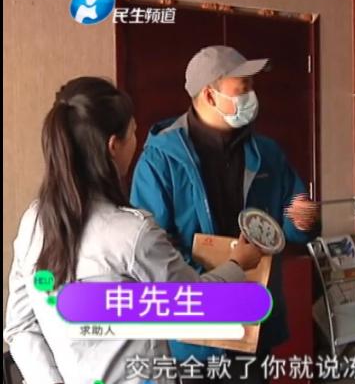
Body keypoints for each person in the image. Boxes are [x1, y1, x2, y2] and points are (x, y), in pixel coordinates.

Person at [3, 77, 262, 384]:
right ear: (113, 146)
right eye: (134, 132)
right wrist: (237, 265)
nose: (137, 143)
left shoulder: (33, 223)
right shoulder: (132, 234)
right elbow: (194, 303)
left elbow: (20, 326)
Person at [130, 45, 320, 383]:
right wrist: (219, 279)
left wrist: (303, 220)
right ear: (209, 94)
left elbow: (290, 221)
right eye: (243, 87)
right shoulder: (161, 160)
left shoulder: (268, 153)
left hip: (252, 320)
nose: (252, 94)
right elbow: (149, 250)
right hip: (192, 332)